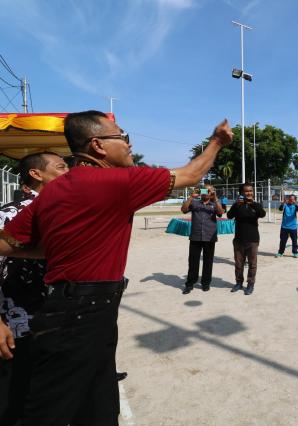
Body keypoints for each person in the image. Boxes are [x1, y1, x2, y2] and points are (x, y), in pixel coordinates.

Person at [0, 111, 233, 426]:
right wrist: (218, 141)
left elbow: (5, 244)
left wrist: (59, 251)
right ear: (97, 145)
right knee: (47, 413)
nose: (128, 143)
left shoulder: (54, 190)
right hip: (82, 314)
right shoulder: (117, 181)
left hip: (73, 310)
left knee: (100, 405)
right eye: (121, 136)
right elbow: (191, 174)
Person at [0, 152, 69, 425]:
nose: (69, 172)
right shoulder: (12, 213)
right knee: (14, 400)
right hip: (18, 325)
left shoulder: (65, 211)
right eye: (62, 167)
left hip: (57, 319)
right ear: (36, 174)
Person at [180, 184, 224, 294]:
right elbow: (183, 209)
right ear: (201, 191)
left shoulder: (215, 203)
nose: (207, 192)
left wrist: (215, 198)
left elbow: (220, 213)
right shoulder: (194, 203)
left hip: (210, 237)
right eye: (205, 190)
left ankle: (206, 283)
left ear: (213, 191)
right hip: (195, 236)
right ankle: (190, 284)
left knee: (208, 262)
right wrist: (191, 197)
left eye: (209, 190)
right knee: (193, 262)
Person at [227, 183, 266, 295]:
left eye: (251, 191)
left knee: (252, 264)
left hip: (253, 239)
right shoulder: (237, 205)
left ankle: (250, 284)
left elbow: (262, 214)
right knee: (238, 264)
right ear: (242, 193)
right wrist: (236, 205)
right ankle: (239, 283)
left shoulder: (256, 205)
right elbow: (229, 216)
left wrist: (252, 203)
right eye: (246, 191)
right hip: (239, 239)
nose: (249, 193)